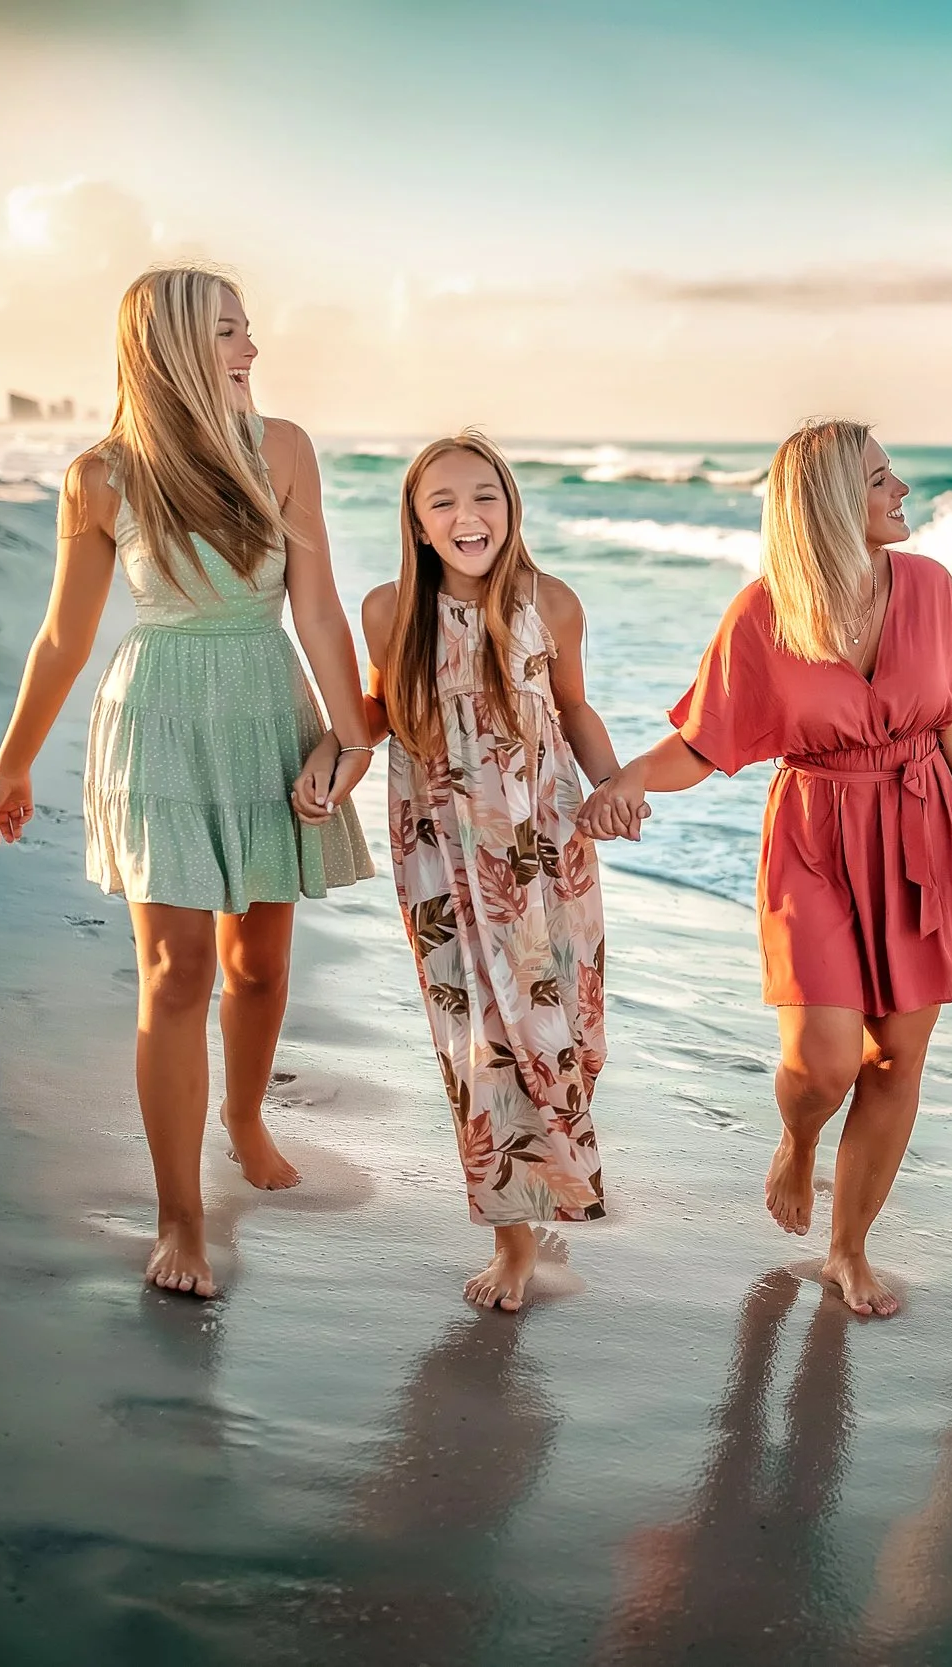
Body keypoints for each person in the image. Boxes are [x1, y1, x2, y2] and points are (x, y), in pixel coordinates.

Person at [578, 419, 952, 1317]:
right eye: (881, 478)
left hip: (921, 831)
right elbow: (702, 742)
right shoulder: (764, 615)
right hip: (814, 840)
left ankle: (849, 1247)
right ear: (836, 505)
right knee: (825, 1060)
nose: (901, 489)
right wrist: (629, 780)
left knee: (897, 1059)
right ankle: (798, 1140)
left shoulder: (932, 588)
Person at [0, 265, 375, 1300]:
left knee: (260, 963)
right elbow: (65, 634)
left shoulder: (280, 448)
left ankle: (244, 1118)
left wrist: (350, 736)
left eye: (249, 329)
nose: (251, 348)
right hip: (155, 719)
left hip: (265, 707)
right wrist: (16, 755)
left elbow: (322, 610)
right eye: (230, 332)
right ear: (170, 349)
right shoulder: (101, 476)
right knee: (177, 973)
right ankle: (180, 1215)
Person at [312, 432, 620, 1313]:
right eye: (441, 500)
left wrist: (614, 787)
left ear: (510, 504)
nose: (466, 515)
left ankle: (547, 1183)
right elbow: (375, 710)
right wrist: (334, 757)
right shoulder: (389, 612)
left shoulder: (551, 603)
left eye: (483, 494)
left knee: (569, 1034)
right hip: (444, 860)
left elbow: (574, 709)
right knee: (482, 1045)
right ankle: (514, 1239)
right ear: (415, 519)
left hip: (545, 848)